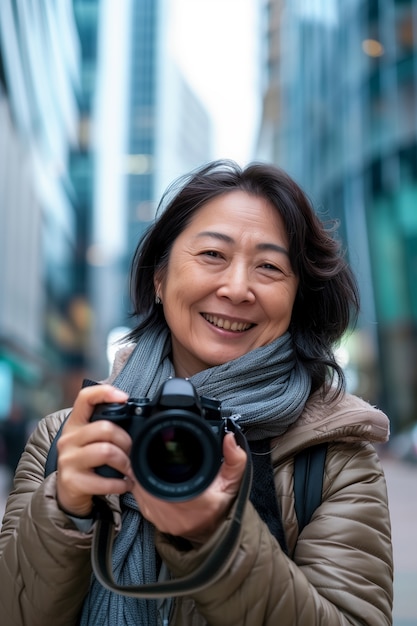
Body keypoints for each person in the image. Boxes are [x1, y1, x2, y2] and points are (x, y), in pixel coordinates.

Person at [0, 160, 393, 625]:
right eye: (212, 255)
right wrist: (66, 511)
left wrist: (217, 540)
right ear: (159, 278)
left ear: (296, 300)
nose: (237, 287)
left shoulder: (332, 459)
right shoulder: (64, 438)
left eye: (269, 267)